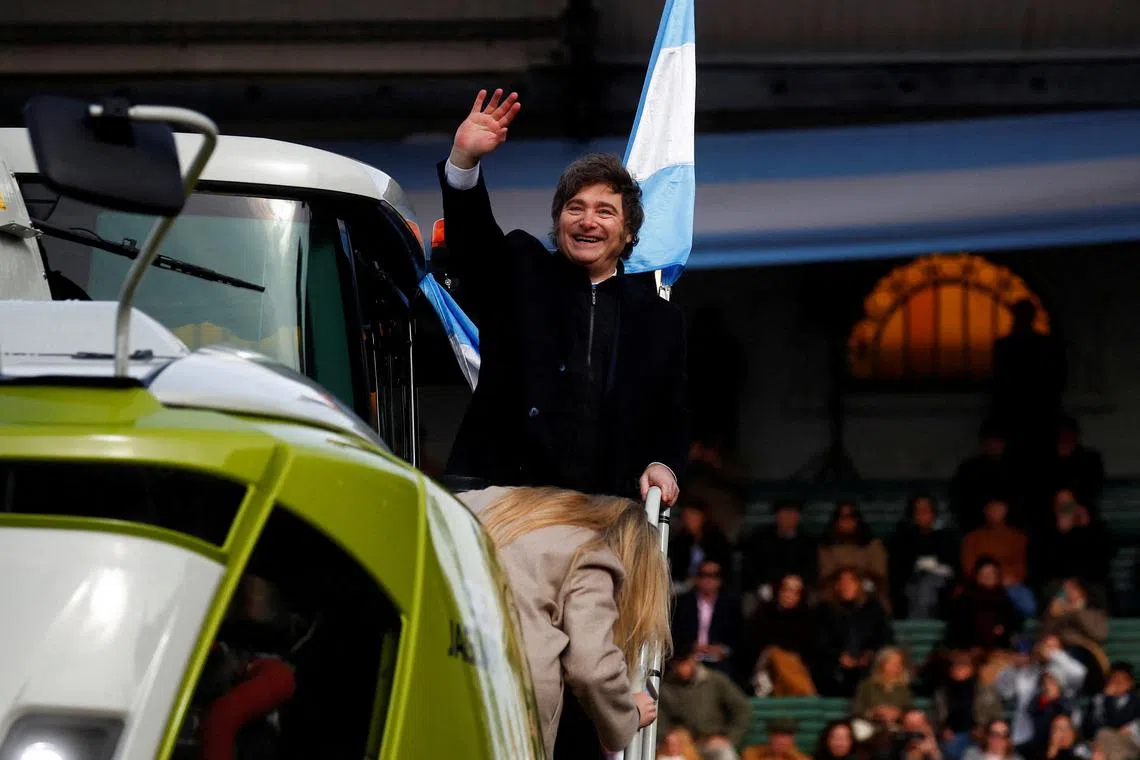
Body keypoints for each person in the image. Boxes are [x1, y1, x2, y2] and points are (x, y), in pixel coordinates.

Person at [437, 88, 688, 505]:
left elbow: (671, 412)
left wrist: (663, 464)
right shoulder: (520, 267)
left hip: (608, 511)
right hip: (506, 500)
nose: (588, 221)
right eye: (575, 208)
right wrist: (464, 161)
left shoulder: (659, 319)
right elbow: (471, 240)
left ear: (628, 233)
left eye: (605, 211)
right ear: (558, 220)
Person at [459, 486, 671, 759]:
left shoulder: (509, 505)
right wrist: (630, 715)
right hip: (507, 712)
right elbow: (591, 666)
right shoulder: (593, 554)